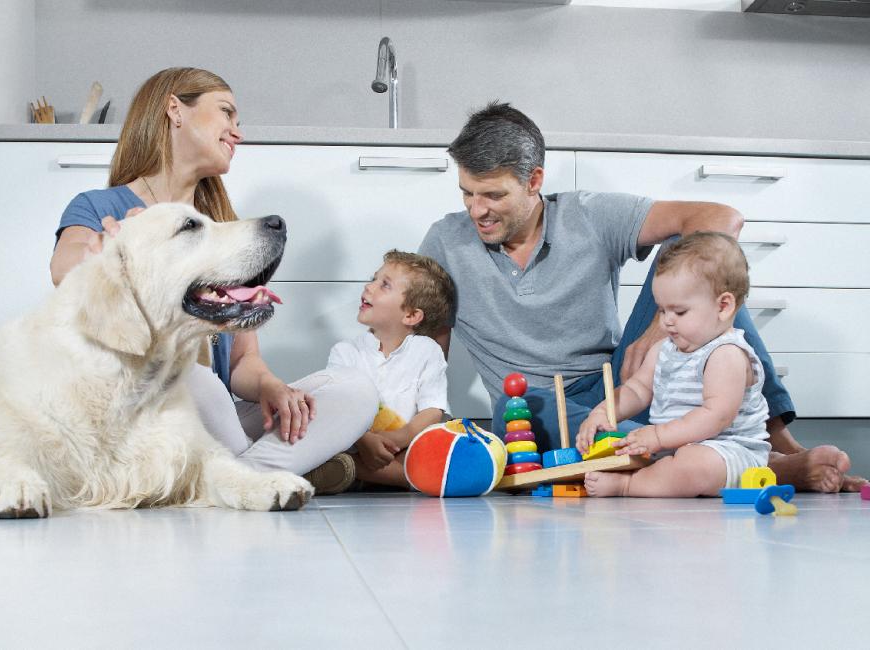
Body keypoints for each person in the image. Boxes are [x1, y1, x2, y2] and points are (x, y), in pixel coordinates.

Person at [418, 101, 866, 494]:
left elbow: (720, 217)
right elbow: (425, 349)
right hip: (535, 404)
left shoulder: (587, 214)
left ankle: (777, 447)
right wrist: (420, 430)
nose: (477, 210)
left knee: (706, 274)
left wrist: (656, 332)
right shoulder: (445, 241)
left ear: (534, 180)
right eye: (467, 193)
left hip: (621, 382)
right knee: (525, 409)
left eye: (494, 195)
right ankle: (748, 466)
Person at [49, 67, 378, 491]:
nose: (236, 133)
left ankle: (232, 477)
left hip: (216, 415)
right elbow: (66, 268)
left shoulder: (222, 229)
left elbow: (242, 361)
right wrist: (110, 248)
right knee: (186, 373)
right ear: (175, 110)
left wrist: (271, 388)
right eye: (227, 113)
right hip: (146, 413)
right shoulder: (100, 207)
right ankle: (272, 470)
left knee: (355, 390)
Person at [575, 232, 770, 497]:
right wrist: (602, 413)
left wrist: (657, 437)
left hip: (728, 453)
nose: (666, 321)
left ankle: (629, 486)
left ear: (723, 306)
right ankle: (652, 476)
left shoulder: (726, 354)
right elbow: (636, 390)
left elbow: (716, 416)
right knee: (626, 450)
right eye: (662, 310)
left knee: (694, 463)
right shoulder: (664, 349)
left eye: (679, 312)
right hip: (673, 448)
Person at [325, 251, 456, 490]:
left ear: (411, 315)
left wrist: (402, 436)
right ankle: (361, 470)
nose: (369, 286)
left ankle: (347, 470)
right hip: (356, 444)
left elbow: (432, 410)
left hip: (405, 448)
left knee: (438, 453)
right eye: (374, 278)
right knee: (321, 430)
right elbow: (336, 408)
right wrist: (363, 440)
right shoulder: (344, 352)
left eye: (384, 285)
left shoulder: (427, 351)